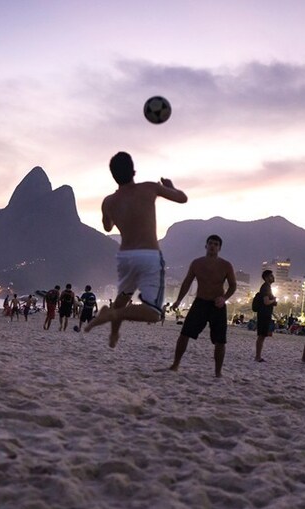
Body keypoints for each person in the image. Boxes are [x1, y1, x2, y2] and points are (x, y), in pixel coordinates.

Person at [84, 151, 188, 347]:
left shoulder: (108, 202)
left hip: (125, 257)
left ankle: (114, 333)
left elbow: (107, 227)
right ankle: (112, 314)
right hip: (148, 255)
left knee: (122, 298)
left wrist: (112, 214)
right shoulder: (149, 188)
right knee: (154, 313)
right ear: (134, 171)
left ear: (114, 176)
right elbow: (182, 198)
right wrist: (170, 187)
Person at [168, 235, 237, 377]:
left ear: (219, 248)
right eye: (210, 243)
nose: (212, 246)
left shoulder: (226, 265)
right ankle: (175, 364)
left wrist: (224, 298)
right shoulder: (197, 263)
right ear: (206, 246)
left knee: (220, 340)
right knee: (184, 334)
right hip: (200, 302)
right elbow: (187, 282)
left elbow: (233, 285)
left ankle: (218, 372)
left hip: (217, 305)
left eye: (216, 244)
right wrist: (178, 300)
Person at [255, 269, 278, 362]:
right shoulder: (265, 287)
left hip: (264, 313)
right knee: (261, 336)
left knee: (262, 336)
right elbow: (266, 302)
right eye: (271, 276)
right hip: (264, 314)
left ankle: (258, 356)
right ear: (267, 277)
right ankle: (257, 356)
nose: (273, 277)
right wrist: (274, 300)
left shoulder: (267, 287)